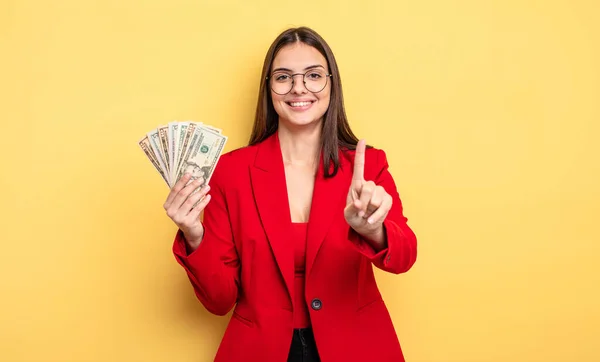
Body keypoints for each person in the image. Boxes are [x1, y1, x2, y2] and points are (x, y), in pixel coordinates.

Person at [163, 26, 418, 362]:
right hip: (261, 351)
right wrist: (194, 235)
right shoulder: (230, 172)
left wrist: (373, 230)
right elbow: (219, 300)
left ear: (331, 84)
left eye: (313, 76)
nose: (299, 88)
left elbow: (404, 259)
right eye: (283, 77)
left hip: (356, 347)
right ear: (269, 88)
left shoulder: (367, 164)